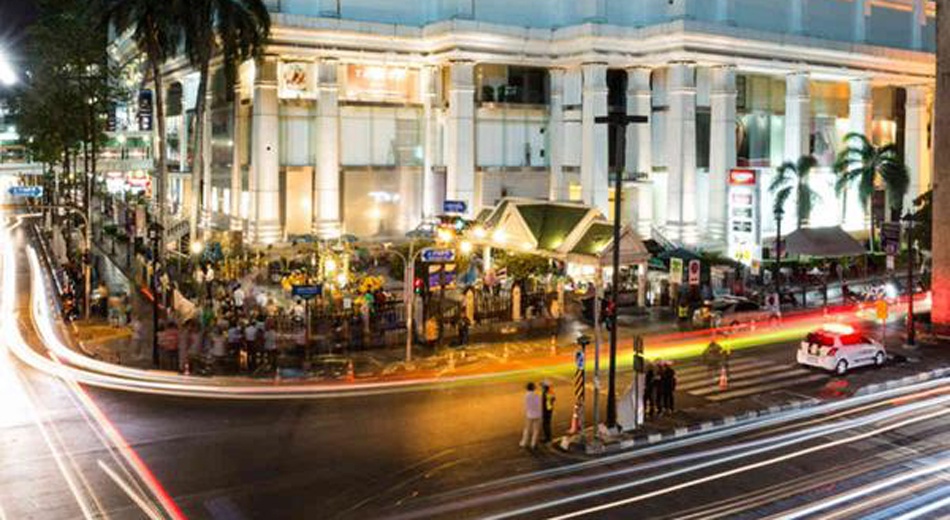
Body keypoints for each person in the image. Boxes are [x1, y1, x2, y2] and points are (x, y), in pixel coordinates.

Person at [520, 382, 542, 450]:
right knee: (536, 430)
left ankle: (524, 442)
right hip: (537, 415)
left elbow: (526, 406)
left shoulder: (526, 396)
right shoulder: (536, 395)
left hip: (529, 415)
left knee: (527, 429)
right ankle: (533, 443)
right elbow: (539, 405)